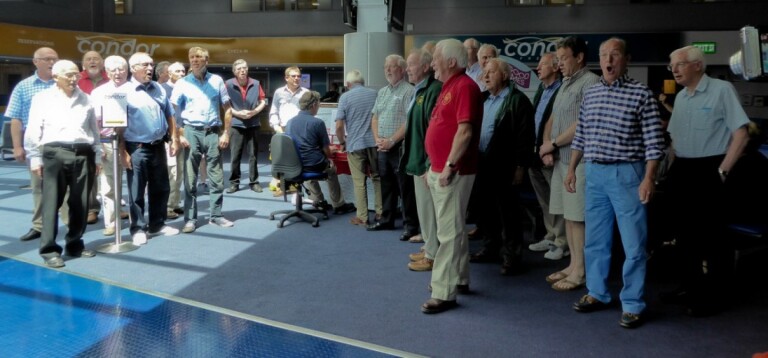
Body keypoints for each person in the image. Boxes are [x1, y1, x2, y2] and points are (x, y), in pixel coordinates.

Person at [567, 38, 666, 329]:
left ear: (626, 60)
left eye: (614, 55)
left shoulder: (641, 94)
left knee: (634, 243)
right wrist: (572, 168)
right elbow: (581, 134)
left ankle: (633, 303)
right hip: (594, 173)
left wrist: (649, 178)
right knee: (595, 240)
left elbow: (654, 142)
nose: (608, 60)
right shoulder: (592, 93)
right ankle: (597, 292)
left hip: (628, 175)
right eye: (604, 55)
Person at [662, 45, 750, 317]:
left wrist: (722, 171)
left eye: (679, 64)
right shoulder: (681, 98)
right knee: (684, 235)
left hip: (711, 168)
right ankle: (690, 287)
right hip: (684, 169)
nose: (674, 70)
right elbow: (675, 142)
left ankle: (716, 296)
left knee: (713, 239)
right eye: (671, 65)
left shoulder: (722, 90)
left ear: (697, 65)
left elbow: (742, 135)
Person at [421, 38, 482, 314]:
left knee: (448, 233)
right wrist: (433, 165)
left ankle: (444, 291)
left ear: (452, 62)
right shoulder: (451, 86)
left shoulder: (465, 87)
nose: (432, 63)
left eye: (436, 58)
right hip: (440, 169)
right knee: (454, 228)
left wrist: (448, 166)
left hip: (453, 172)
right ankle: (459, 278)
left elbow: (465, 132)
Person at [23, 59, 102, 268]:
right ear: (56, 76)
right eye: (69, 74)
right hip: (54, 153)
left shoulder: (86, 99)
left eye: (76, 74)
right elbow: (33, 129)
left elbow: (93, 130)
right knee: (51, 203)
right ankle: (49, 250)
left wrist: (98, 154)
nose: (74, 78)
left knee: (81, 203)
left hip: (83, 153)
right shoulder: (42, 98)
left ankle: (75, 244)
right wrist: (34, 157)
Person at [537, 37, 600, 289]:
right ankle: (573, 264)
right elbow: (553, 117)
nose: (559, 63)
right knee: (570, 218)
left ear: (579, 57)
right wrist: (546, 145)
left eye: (563, 58)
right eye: (558, 58)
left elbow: (582, 123)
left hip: (580, 163)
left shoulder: (591, 82)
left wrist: (553, 143)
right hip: (562, 161)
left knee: (579, 218)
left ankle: (581, 272)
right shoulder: (565, 83)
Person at [468, 57, 535, 276]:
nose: (485, 76)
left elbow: (526, 137)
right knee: (484, 209)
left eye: (491, 72)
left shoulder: (518, 101)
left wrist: (520, 167)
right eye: (484, 72)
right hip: (482, 163)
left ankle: (511, 256)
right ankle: (491, 248)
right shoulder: (483, 98)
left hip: (505, 165)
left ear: (504, 75)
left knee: (508, 213)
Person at [117, 52, 180, 245]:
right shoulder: (124, 92)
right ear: (133, 68)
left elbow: (170, 114)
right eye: (145, 65)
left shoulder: (159, 89)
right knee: (136, 190)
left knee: (161, 187)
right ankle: (137, 228)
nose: (150, 68)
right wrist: (122, 152)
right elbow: (118, 125)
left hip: (158, 146)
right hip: (135, 147)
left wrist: (174, 138)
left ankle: (157, 224)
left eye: (151, 64)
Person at [171, 46, 234, 233]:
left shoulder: (217, 81)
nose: (195, 60)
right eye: (192, 57)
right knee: (190, 179)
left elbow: (228, 108)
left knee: (216, 176)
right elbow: (174, 112)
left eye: (199, 57)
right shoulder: (182, 83)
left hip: (213, 132)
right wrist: (179, 135)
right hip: (191, 132)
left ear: (207, 60)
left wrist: (225, 133)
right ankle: (190, 219)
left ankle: (216, 215)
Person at [4, 47, 59, 242]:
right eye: (47, 59)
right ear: (36, 62)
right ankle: (39, 226)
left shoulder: (63, 85)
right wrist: (18, 146)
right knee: (39, 186)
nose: (52, 62)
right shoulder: (23, 86)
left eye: (55, 58)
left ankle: (71, 225)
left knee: (67, 186)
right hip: (35, 143)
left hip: (61, 142)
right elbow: (16, 119)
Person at [403, 48, 443, 272]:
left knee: (429, 211)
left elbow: (432, 130)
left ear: (425, 67)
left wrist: (429, 163)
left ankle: (433, 255)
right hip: (418, 161)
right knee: (424, 211)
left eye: (412, 64)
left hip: (425, 163)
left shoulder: (433, 90)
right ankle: (430, 248)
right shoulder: (419, 91)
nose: (408, 68)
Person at [368, 54, 416, 240]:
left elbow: (409, 121)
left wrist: (391, 141)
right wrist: (378, 139)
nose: (388, 70)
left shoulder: (409, 91)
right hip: (382, 146)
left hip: (399, 147)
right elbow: (375, 117)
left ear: (402, 70)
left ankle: (410, 226)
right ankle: (386, 220)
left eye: (392, 66)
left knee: (405, 188)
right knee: (386, 186)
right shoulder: (382, 92)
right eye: (386, 66)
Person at [285, 91, 356, 215]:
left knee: (306, 168)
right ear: (313, 105)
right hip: (313, 164)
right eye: (318, 105)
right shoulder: (317, 123)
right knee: (331, 169)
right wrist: (331, 150)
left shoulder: (290, 122)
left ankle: (318, 200)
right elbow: (327, 152)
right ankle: (338, 204)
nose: (318, 108)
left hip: (295, 165)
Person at [527, 52, 566, 258]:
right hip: (535, 153)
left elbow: (560, 123)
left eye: (542, 65)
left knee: (556, 198)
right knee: (544, 200)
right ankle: (551, 236)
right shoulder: (541, 90)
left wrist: (550, 148)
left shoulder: (561, 90)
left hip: (552, 154)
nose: (538, 68)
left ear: (555, 67)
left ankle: (562, 241)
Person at [90, 55, 132, 237]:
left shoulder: (136, 89)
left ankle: (139, 221)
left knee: (138, 184)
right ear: (106, 72)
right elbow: (92, 123)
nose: (118, 73)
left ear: (127, 70)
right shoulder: (98, 93)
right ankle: (112, 222)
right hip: (108, 143)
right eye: (113, 70)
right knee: (108, 185)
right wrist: (97, 145)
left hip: (134, 143)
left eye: (121, 69)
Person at [334, 69, 383, 226]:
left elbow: (339, 125)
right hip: (375, 142)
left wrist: (342, 142)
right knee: (377, 178)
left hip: (355, 145)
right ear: (362, 82)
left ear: (348, 84)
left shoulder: (345, 97)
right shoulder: (374, 94)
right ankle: (381, 213)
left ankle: (362, 217)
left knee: (359, 181)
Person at [225, 59, 267, 194]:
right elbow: (225, 104)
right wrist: (237, 113)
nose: (242, 71)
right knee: (235, 155)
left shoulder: (256, 83)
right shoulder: (228, 84)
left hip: (253, 123)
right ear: (234, 72)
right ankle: (234, 183)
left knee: (253, 155)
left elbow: (263, 101)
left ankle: (254, 182)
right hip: (236, 123)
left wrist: (254, 112)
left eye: (244, 68)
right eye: (239, 69)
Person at [268, 66, 309, 196]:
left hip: (299, 131)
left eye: (299, 76)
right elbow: (273, 111)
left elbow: (310, 113)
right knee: (281, 158)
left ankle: (296, 185)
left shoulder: (306, 93)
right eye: (293, 76)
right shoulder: (279, 92)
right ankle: (283, 185)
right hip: (282, 129)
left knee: (297, 158)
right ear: (286, 78)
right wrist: (276, 127)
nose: (297, 78)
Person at [164, 62, 186, 219]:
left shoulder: (186, 89)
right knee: (171, 172)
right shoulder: (163, 89)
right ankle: (168, 206)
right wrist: (176, 136)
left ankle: (175, 203)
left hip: (185, 135)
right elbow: (167, 116)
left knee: (179, 172)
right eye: (177, 71)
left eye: (183, 71)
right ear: (169, 73)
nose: (182, 73)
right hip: (171, 137)